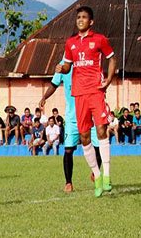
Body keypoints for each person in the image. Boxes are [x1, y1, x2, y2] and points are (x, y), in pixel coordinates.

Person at [56, 6, 116, 197]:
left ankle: (106, 175)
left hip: (96, 92)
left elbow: (112, 59)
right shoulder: (70, 43)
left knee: (101, 130)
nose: (80, 20)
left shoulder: (99, 39)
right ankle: (97, 176)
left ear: (91, 22)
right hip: (79, 95)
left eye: (84, 17)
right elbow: (67, 66)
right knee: (84, 137)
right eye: (78, 17)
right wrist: (61, 68)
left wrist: (108, 80)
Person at [40, 61, 103, 193]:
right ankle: (68, 183)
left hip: (89, 115)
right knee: (68, 150)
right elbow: (53, 84)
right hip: (72, 117)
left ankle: (95, 172)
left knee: (98, 147)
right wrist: (45, 97)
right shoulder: (63, 65)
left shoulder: (88, 62)